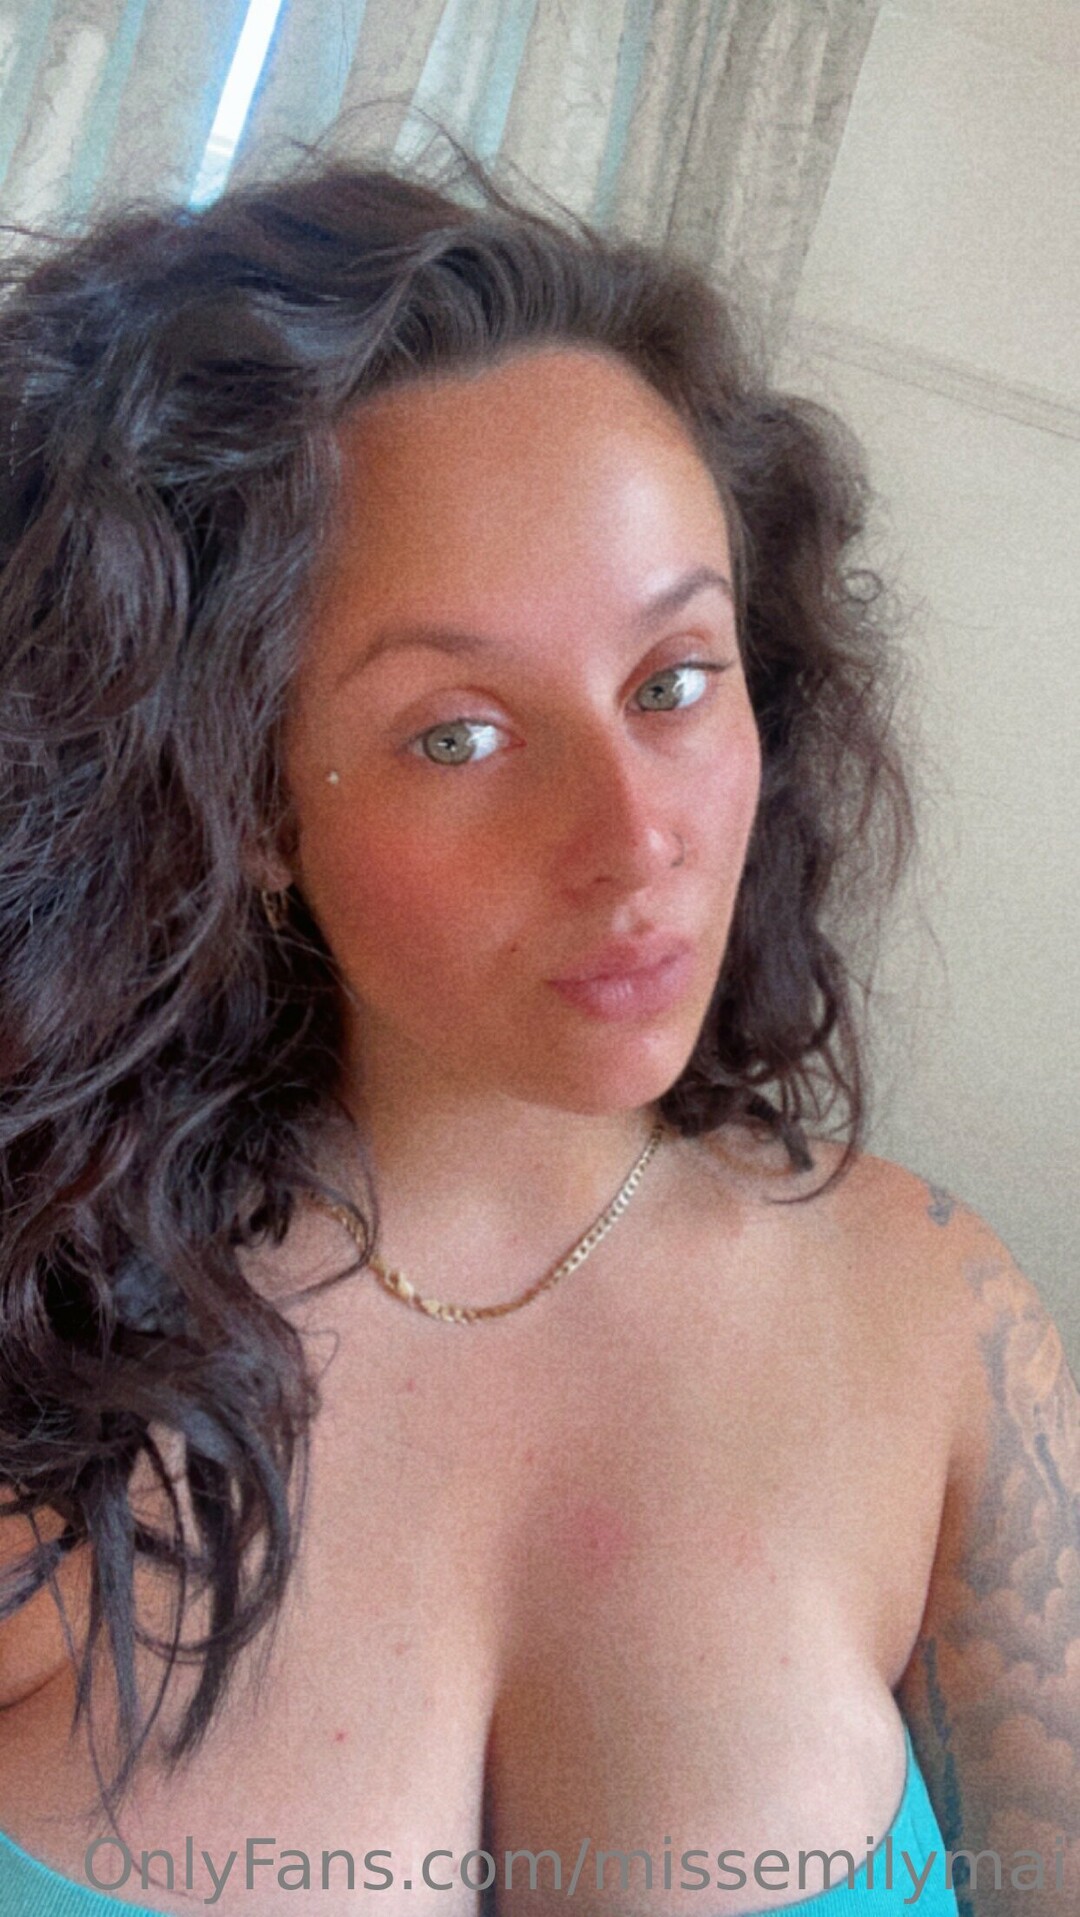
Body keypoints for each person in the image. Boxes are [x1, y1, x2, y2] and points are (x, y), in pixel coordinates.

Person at [0, 129, 1076, 1917]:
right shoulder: (43, 1353)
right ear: (247, 802)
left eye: (674, 680)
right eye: (461, 734)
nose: (635, 836)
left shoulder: (938, 1325)